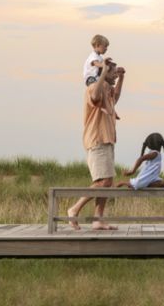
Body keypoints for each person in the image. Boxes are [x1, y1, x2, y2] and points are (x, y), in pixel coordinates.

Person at [68, 57, 125, 230]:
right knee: (103, 181)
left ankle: (98, 219)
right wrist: (102, 74)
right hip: (97, 138)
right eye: (113, 72)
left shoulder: (107, 89)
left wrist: (122, 79)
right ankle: (74, 209)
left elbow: (115, 98)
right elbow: (94, 96)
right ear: (105, 72)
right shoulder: (95, 87)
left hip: (107, 138)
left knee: (107, 181)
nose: (115, 75)